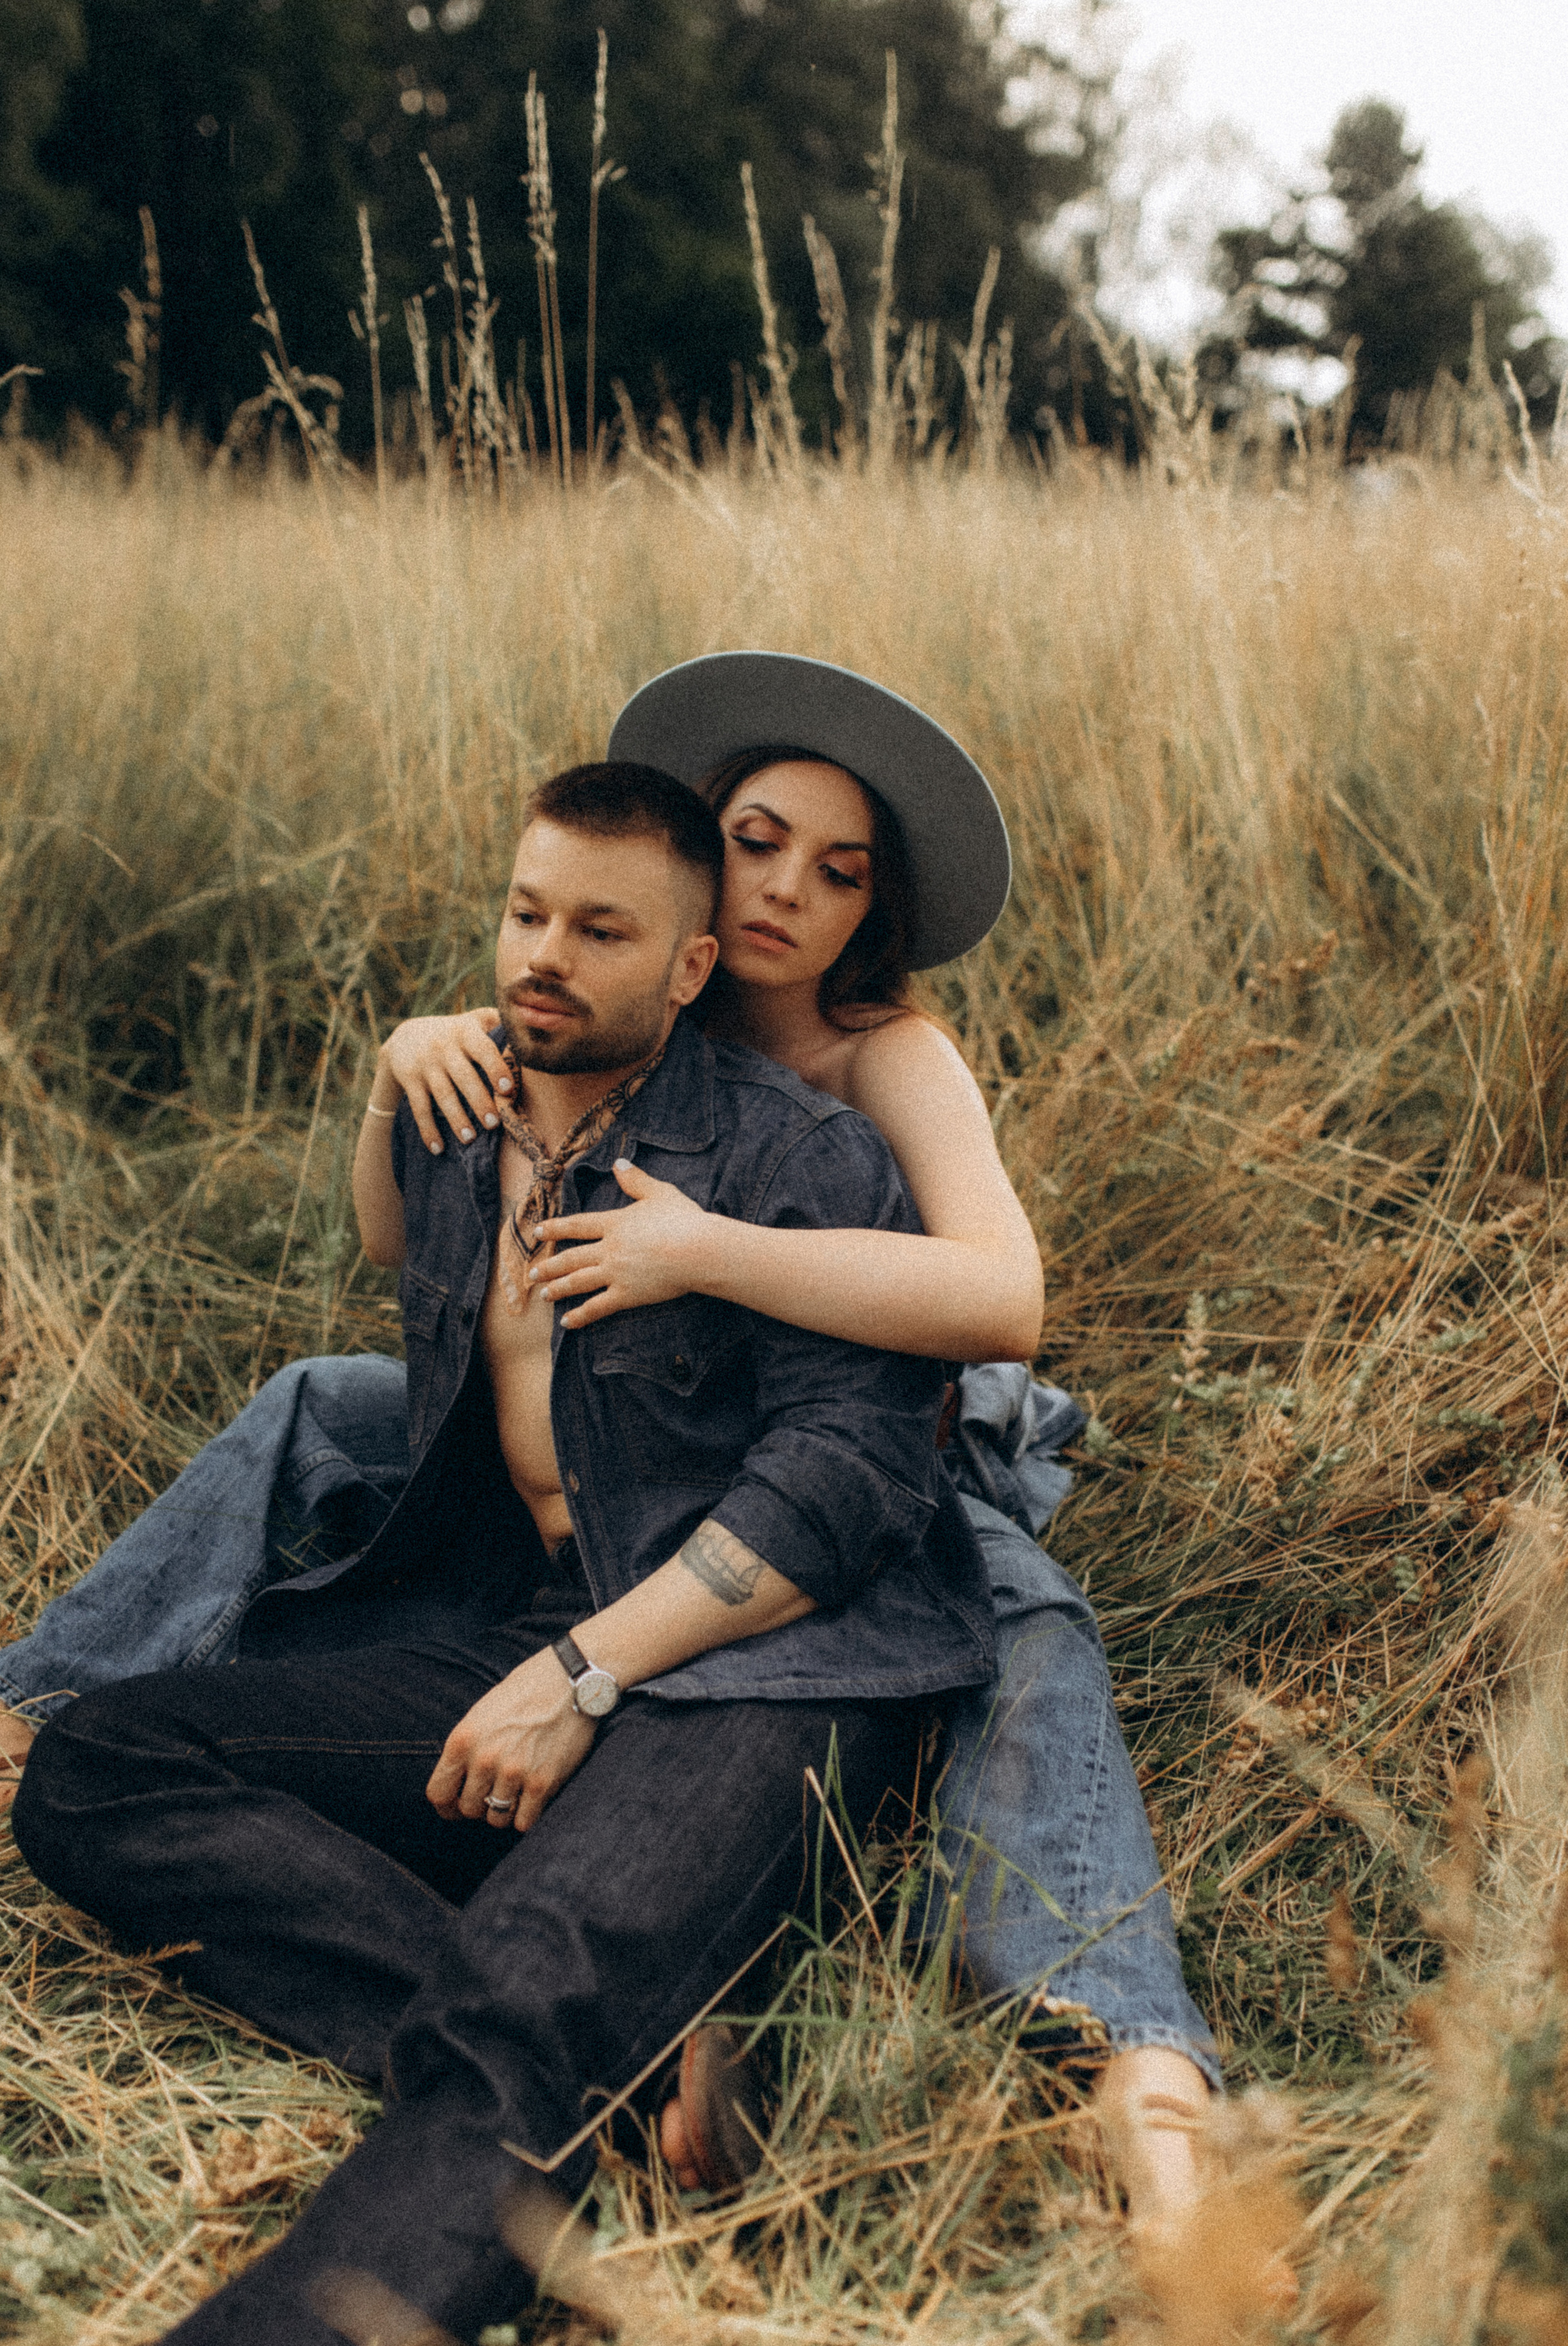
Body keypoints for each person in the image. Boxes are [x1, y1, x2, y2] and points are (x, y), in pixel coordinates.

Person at [2, 656, 1218, 2225]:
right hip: (618, 1433)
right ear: (697, 860)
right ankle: (46, 1695)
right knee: (320, 1399)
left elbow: (1002, 1296)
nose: (787, 890)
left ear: (872, 916)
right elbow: (417, 1215)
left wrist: (705, 1250)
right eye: (758, 840)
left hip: (869, 1446)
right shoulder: (606, 990)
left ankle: (1125, 2044)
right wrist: (411, 1063)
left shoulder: (878, 1055)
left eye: (838, 875)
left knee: (1019, 1616)